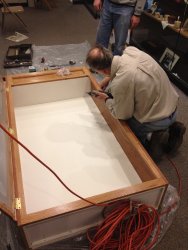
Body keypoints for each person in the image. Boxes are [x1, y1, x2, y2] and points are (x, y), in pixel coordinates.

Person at [86, 45, 186, 161]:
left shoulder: (122, 82)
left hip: (157, 120)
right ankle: (173, 128)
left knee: (124, 123)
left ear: (102, 71)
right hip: (172, 107)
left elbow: (122, 114)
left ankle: (152, 137)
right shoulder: (132, 52)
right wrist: (110, 78)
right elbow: (124, 70)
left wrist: (106, 100)